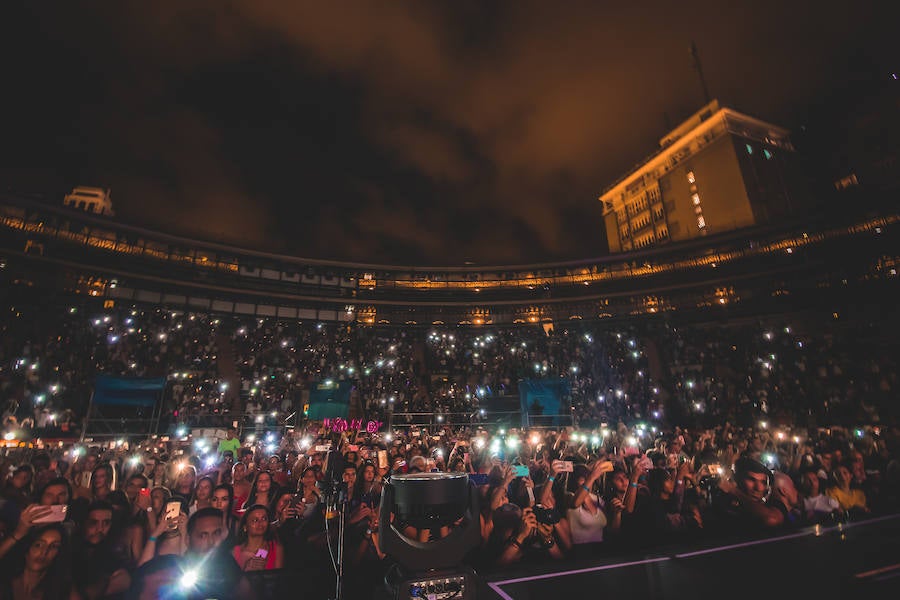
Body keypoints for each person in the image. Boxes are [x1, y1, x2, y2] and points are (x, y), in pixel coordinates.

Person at [128, 507, 256, 600]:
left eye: (217, 533)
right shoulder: (173, 567)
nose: (211, 541)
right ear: (188, 540)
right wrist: (155, 534)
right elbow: (142, 575)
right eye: (203, 535)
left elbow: (248, 594)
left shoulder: (228, 566)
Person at [0, 522, 79, 600]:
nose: (44, 552)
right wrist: (18, 534)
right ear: (27, 547)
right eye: (38, 545)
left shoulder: (63, 591)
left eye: (54, 546)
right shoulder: (5, 581)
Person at [232, 504, 284, 571]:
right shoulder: (235, 552)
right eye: (255, 520)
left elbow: (278, 578)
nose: (260, 523)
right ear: (245, 527)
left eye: (264, 519)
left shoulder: (276, 547)